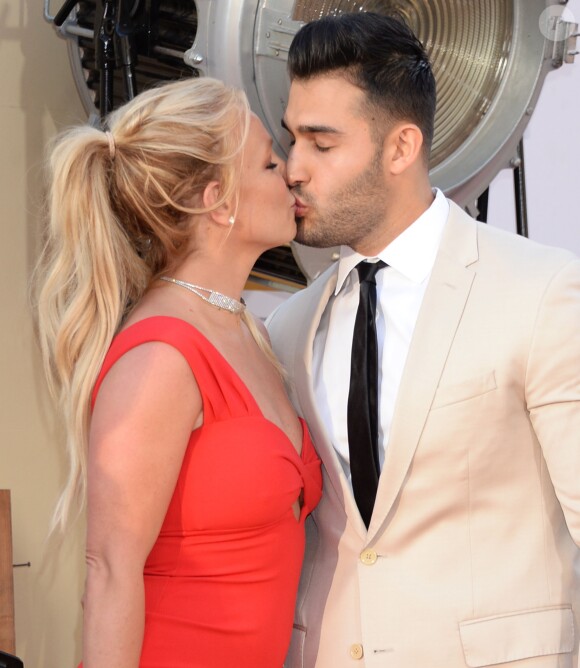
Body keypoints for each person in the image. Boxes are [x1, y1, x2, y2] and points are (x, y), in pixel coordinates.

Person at [266, 12, 580, 668]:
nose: (293, 168)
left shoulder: (543, 291)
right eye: (291, 138)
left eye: (321, 144)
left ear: (400, 148)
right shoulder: (288, 327)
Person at [34, 76, 322, 668]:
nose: (291, 173)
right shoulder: (160, 358)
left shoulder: (250, 332)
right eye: (269, 162)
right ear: (213, 200)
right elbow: (109, 570)